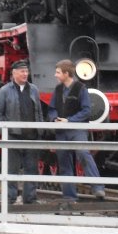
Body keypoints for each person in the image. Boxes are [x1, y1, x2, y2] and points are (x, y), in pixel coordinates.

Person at [48, 59, 105, 201]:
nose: (55, 75)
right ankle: (69, 196)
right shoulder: (58, 89)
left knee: (83, 153)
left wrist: (70, 120)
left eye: (58, 72)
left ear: (66, 73)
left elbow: (86, 110)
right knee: (64, 161)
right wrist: (54, 119)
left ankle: (98, 187)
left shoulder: (81, 89)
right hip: (61, 130)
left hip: (77, 130)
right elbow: (52, 108)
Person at [0, 59, 43, 205]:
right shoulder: (4, 91)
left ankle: (30, 198)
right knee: (11, 170)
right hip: (13, 136)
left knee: (32, 169)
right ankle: (10, 198)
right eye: (22, 71)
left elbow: (38, 111)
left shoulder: (34, 89)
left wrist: (40, 129)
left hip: (32, 136)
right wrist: (5, 130)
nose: (25, 74)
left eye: (26, 71)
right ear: (14, 73)